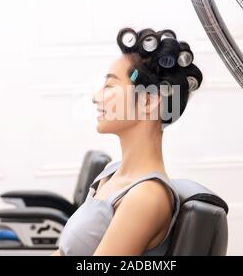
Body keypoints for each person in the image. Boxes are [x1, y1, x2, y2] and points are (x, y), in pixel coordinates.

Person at [52, 27, 203, 256]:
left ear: (147, 101)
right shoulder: (110, 173)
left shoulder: (146, 196)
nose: (95, 97)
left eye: (110, 86)